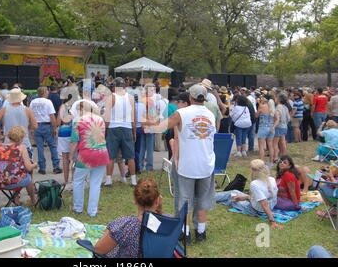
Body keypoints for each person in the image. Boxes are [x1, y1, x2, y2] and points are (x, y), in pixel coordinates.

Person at [147, 84, 216, 243]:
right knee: (203, 199)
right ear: (204, 98)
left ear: (190, 97)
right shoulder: (210, 114)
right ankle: (201, 232)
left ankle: (184, 233)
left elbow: (161, 127)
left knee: (184, 200)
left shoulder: (181, 113)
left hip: (188, 164)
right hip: (206, 163)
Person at [94, 177, 163, 257]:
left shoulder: (126, 225)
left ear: (135, 200)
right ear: (158, 200)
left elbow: (98, 250)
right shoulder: (168, 225)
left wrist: (108, 234)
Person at [69, 101, 110, 217]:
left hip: (85, 155)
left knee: (78, 181)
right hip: (102, 153)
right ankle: (92, 211)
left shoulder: (78, 121)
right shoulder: (100, 119)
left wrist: (71, 157)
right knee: (96, 184)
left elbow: (74, 142)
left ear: (82, 109)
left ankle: (78, 208)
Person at [215, 159, 283, 229]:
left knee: (231, 198)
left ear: (253, 170)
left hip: (256, 210)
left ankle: (207, 199)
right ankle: (211, 198)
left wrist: (272, 221)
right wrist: (245, 198)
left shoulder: (255, 184)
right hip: (268, 207)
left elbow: (264, 203)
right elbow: (264, 197)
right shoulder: (271, 179)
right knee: (234, 193)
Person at [104, 77, 137, 187]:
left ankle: (108, 180)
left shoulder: (111, 98)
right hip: (127, 127)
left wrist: (105, 130)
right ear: (124, 86)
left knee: (111, 156)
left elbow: (107, 117)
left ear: (114, 86)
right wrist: (134, 131)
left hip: (113, 128)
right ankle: (133, 180)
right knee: (130, 156)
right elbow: (134, 117)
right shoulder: (131, 98)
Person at [0, 88, 37, 162]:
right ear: (21, 98)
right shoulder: (27, 110)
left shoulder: (4, 110)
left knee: (10, 168)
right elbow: (35, 125)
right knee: (27, 166)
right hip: (24, 142)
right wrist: (28, 127)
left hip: (8, 143)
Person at [0, 126, 38, 205]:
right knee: (28, 177)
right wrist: (35, 164)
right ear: (21, 138)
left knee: (15, 172)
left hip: (0, 182)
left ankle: (16, 200)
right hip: (14, 182)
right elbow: (28, 167)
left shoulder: (0, 146)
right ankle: (33, 200)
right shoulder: (21, 148)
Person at [29, 87, 62, 175]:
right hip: (47, 125)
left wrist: (31, 128)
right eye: (47, 91)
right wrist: (55, 128)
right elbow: (52, 116)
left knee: (40, 147)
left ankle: (42, 168)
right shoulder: (48, 102)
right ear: (44, 92)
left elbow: (30, 116)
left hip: (36, 125)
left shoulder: (33, 102)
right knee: (52, 146)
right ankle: (56, 167)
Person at [56, 94, 74, 187]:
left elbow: (58, 122)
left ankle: (66, 181)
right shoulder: (76, 106)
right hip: (74, 132)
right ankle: (74, 180)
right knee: (74, 157)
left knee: (65, 158)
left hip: (63, 133)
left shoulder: (63, 107)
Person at [256, 97, 277, 164]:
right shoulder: (273, 109)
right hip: (271, 128)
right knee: (270, 145)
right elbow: (277, 119)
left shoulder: (262, 106)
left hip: (263, 127)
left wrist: (259, 106)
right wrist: (273, 126)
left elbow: (256, 115)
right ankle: (271, 161)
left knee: (261, 146)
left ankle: (261, 161)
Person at [273, 93, 291, 159]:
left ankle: (275, 157)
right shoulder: (285, 107)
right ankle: (285, 155)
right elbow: (288, 118)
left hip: (278, 126)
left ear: (279, 99)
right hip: (285, 126)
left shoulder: (278, 107)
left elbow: (277, 118)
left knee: (275, 143)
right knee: (283, 141)